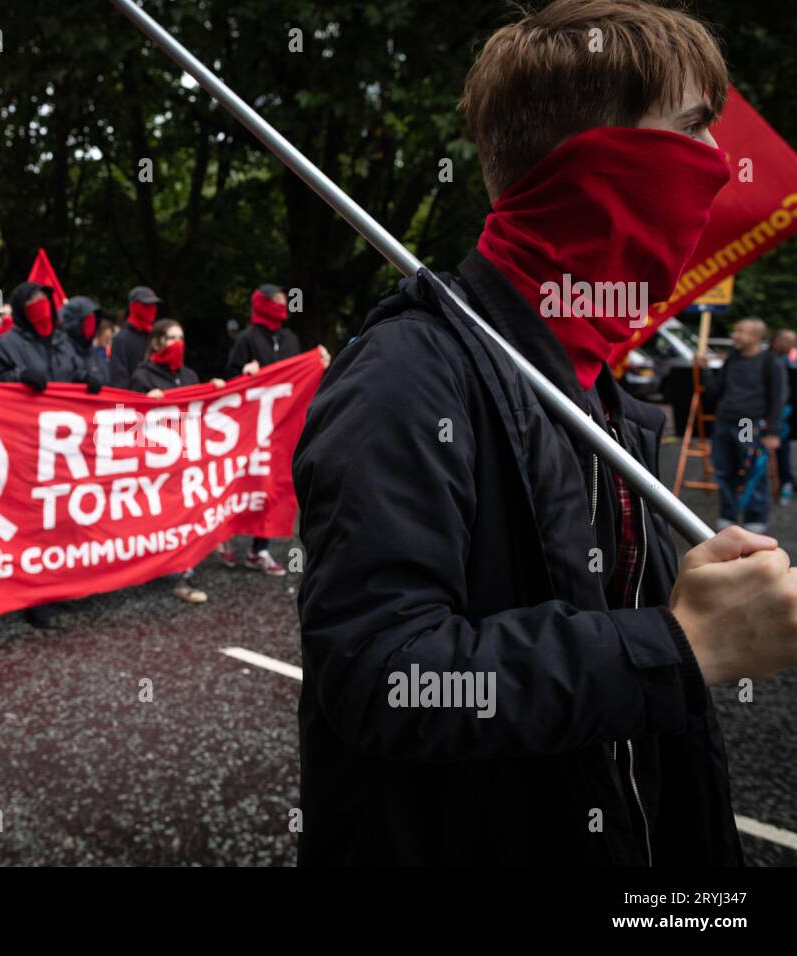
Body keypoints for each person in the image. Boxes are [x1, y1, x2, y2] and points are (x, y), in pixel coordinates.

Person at [294, 0, 797, 866]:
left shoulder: (595, 378)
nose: (720, 165)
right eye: (690, 131)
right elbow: (385, 677)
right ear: (597, 164)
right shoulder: (406, 375)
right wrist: (678, 648)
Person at [0, 281, 92, 628]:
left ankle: (60, 586)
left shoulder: (64, 342)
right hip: (27, 447)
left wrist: (88, 380)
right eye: (31, 302)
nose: (40, 306)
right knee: (33, 524)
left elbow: (77, 374)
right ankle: (35, 596)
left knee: (63, 520)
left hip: (65, 448)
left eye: (43, 299)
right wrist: (18, 376)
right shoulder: (8, 344)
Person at [218, 285, 331, 574]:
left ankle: (260, 549)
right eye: (278, 301)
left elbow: (296, 377)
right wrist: (244, 374)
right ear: (262, 304)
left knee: (273, 484)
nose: (284, 304)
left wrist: (316, 364)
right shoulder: (246, 339)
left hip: (279, 428)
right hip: (248, 427)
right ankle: (222, 536)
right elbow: (230, 379)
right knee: (240, 482)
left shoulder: (290, 338)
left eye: (286, 300)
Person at [129, 317, 226, 604]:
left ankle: (181, 570)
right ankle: (164, 570)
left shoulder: (190, 376)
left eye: (181, 338)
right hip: (156, 463)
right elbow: (127, 424)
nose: (177, 344)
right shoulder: (142, 377)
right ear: (157, 342)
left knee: (184, 514)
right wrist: (146, 402)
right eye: (172, 338)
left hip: (186, 460)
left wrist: (215, 391)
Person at [701, 318, 786, 532]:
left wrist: (773, 432)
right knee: (723, 470)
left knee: (750, 469)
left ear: (756, 337)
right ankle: (728, 514)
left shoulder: (770, 362)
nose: (734, 335)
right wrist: (704, 370)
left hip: (747, 423)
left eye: (741, 331)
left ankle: (754, 517)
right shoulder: (733, 360)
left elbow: (778, 398)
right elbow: (714, 391)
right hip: (723, 422)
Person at [108, 286, 162, 388]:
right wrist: (121, 405)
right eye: (146, 305)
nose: (152, 309)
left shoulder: (156, 336)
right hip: (133, 401)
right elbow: (118, 383)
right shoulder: (121, 340)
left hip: (158, 400)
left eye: (153, 305)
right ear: (134, 307)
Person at [767, 327, 797, 504]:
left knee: (781, 449)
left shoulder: (789, 364)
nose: (791, 344)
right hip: (748, 417)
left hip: (779, 416)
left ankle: (785, 482)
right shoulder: (760, 361)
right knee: (745, 445)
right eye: (787, 339)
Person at [59, 295, 108, 393]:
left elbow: (109, 383)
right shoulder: (59, 352)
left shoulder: (95, 356)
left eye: (94, 321)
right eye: (88, 320)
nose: (92, 325)